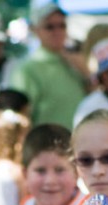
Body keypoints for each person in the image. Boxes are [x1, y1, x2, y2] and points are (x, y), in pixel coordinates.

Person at [9, 1, 89, 129]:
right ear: (36, 30)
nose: (57, 31)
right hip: (48, 145)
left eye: (62, 26)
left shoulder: (74, 62)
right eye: (50, 27)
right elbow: (21, 117)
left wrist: (86, 73)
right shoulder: (28, 69)